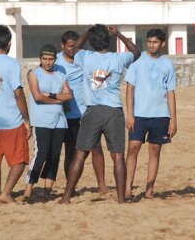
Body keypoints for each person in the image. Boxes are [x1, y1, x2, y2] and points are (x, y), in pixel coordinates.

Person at [60, 24, 141, 204]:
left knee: (80, 154)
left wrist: (88, 31)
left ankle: (66, 197)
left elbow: (75, 48)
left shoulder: (85, 57)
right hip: (114, 110)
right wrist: (118, 33)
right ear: (108, 41)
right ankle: (121, 199)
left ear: (92, 41)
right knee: (118, 156)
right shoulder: (118, 58)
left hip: (92, 110)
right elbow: (136, 52)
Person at [0, 25, 32, 204]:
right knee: (20, 160)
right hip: (11, 119)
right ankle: (6, 192)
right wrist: (26, 119)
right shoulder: (12, 63)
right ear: (9, 43)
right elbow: (18, 93)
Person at [125, 28, 177, 199]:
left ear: (162, 43)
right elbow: (129, 89)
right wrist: (130, 114)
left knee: (155, 151)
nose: (152, 45)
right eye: (149, 42)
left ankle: (149, 190)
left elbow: (170, 92)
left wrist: (173, 119)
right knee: (133, 148)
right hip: (139, 115)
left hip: (161, 115)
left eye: (155, 42)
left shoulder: (167, 63)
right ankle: (127, 188)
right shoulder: (137, 61)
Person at [56, 30, 108, 194]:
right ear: (62, 46)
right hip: (68, 114)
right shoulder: (56, 61)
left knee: (96, 148)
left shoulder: (86, 58)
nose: (72, 50)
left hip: (87, 111)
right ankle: (70, 187)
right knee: (71, 151)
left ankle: (102, 185)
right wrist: (60, 102)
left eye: (75, 46)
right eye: (69, 46)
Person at [25, 44, 73, 199]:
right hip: (41, 120)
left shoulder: (60, 73)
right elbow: (37, 97)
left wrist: (52, 95)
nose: (47, 62)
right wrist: (58, 100)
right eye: (44, 59)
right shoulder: (34, 73)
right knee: (41, 153)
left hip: (59, 120)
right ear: (40, 59)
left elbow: (69, 96)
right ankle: (29, 188)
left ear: (55, 59)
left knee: (55, 155)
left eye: (51, 59)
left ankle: (47, 189)